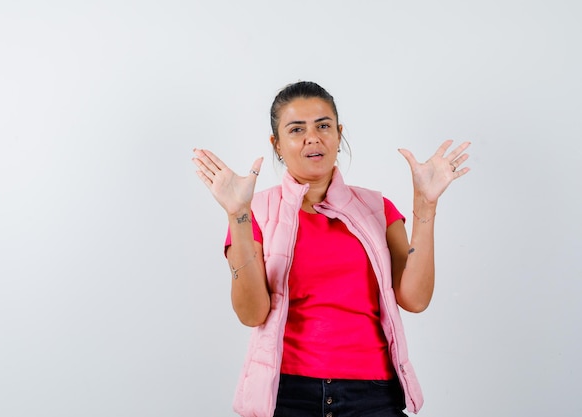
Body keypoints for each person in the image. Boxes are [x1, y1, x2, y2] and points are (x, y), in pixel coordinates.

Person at [192, 81, 470, 417]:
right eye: (297, 129)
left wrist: (425, 205)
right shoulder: (256, 211)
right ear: (276, 145)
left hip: (373, 395)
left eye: (323, 126)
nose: (313, 137)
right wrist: (237, 214)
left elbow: (415, 299)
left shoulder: (377, 208)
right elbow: (252, 313)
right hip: (288, 393)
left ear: (338, 135)